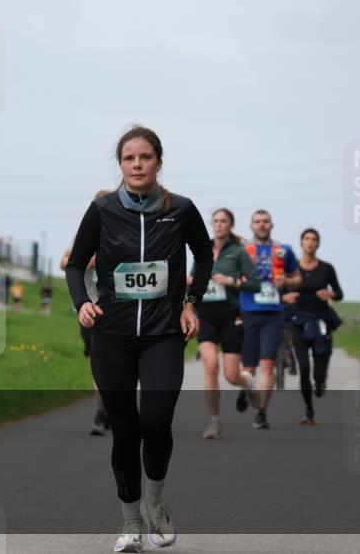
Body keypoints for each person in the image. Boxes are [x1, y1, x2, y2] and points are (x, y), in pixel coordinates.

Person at [65, 126, 211, 552]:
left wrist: (191, 301)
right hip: (112, 335)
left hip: (163, 334)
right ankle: (129, 521)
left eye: (145, 157)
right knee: (125, 429)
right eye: (129, 158)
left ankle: (155, 502)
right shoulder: (103, 209)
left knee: (157, 422)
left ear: (158, 162)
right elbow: (75, 264)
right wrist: (82, 304)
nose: (137, 165)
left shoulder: (181, 210)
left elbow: (203, 255)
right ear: (121, 165)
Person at [189, 208, 261, 440]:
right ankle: (214, 422)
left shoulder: (238, 252)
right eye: (216, 221)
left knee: (231, 376)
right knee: (210, 366)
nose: (218, 225)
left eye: (223, 221)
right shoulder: (203, 249)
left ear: (230, 225)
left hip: (230, 315)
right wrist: (190, 282)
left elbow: (255, 284)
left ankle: (246, 381)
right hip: (206, 315)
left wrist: (231, 281)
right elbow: (193, 282)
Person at [239, 210, 300, 430]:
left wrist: (287, 282)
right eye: (258, 221)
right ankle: (246, 390)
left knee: (268, 364)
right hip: (247, 311)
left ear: (272, 224)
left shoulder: (283, 250)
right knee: (248, 368)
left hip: (273, 313)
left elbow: (297, 278)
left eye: (265, 221)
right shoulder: (242, 250)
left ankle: (261, 413)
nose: (262, 225)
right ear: (251, 225)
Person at [63, 189, 113, 436]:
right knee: (97, 362)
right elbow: (66, 262)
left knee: (119, 363)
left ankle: (110, 408)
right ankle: (103, 408)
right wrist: (83, 259)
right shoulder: (84, 233)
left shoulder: (123, 232)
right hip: (89, 307)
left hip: (116, 306)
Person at [282, 228, 343, 425]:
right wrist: (285, 297)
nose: (310, 242)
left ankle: (320, 382)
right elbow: (277, 292)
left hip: (321, 321)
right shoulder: (291, 269)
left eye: (314, 239)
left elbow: (339, 293)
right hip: (298, 322)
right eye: (307, 239)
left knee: (319, 370)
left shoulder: (326, 268)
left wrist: (330, 294)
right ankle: (309, 411)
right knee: (304, 367)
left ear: (318, 244)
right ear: (301, 243)